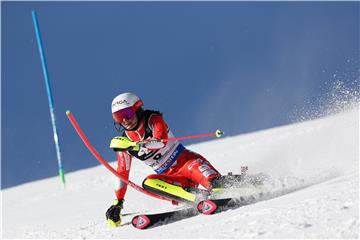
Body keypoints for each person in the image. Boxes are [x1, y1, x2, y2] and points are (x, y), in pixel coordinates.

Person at [105, 92, 225, 227]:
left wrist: (135, 145)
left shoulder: (153, 119)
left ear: (137, 109)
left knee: (217, 185)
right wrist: (118, 203)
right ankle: (198, 197)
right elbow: (122, 173)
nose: (124, 120)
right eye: (118, 117)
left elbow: (160, 141)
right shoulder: (125, 142)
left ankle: (225, 186)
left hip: (187, 163)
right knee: (149, 182)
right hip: (173, 179)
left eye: (127, 113)